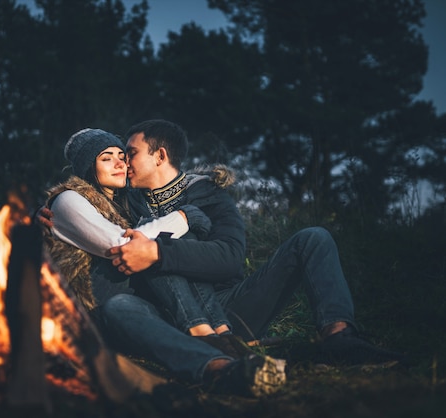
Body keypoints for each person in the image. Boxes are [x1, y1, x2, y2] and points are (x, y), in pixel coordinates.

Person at [102, 119, 406, 367]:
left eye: (130, 153)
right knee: (120, 306)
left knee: (313, 237)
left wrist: (158, 253)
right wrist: (56, 218)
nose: (122, 161)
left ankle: (339, 338)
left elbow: (230, 258)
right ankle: (204, 353)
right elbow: (86, 214)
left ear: (160, 156)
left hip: (230, 306)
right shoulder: (122, 202)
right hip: (164, 312)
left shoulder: (208, 195)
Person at [42, 128, 286, 396]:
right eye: (107, 158)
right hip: (93, 311)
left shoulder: (123, 203)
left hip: (133, 302)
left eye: (123, 155)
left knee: (161, 248)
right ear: (88, 166)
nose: (121, 163)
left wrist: (173, 231)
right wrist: (184, 216)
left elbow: (224, 255)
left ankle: (213, 335)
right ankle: (216, 365)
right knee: (150, 254)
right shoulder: (68, 199)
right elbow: (122, 246)